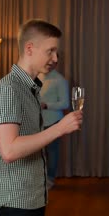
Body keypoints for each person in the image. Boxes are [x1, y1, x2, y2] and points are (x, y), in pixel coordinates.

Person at [0, 19, 83, 216]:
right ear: (29, 48)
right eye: (50, 51)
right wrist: (58, 129)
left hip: (31, 196)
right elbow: (9, 151)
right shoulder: (8, 90)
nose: (55, 58)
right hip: (14, 201)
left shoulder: (30, 88)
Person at [38, 56, 69, 189]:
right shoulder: (37, 77)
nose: (48, 65)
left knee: (52, 152)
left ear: (55, 64)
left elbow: (65, 103)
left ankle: (50, 179)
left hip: (53, 121)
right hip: (38, 121)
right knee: (38, 153)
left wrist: (46, 105)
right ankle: (40, 178)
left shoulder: (60, 80)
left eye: (52, 63)